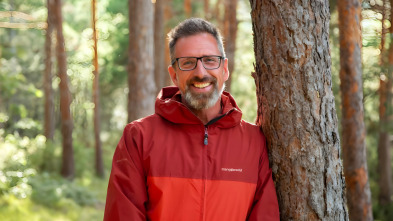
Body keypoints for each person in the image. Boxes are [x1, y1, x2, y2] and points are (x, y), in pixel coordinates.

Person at [104, 18, 279, 221]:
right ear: (174, 75)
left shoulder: (254, 142)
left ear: (225, 69)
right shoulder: (139, 138)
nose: (200, 72)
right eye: (187, 63)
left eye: (210, 60)